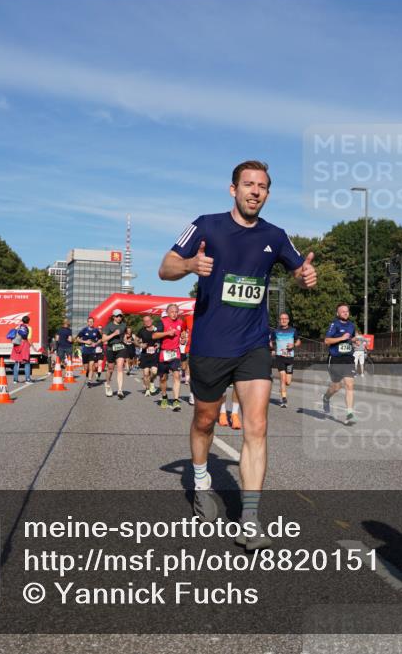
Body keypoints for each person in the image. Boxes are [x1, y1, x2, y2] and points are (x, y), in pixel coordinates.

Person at [158, 160, 316, 551]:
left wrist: (305, 276)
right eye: (248, 184)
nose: (255, 191)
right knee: (205, 420)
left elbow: (298, 269)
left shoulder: (276, 236)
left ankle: (249, 518)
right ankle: (200, 482)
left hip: (252, 345)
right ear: (233, 189)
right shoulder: (206, 225)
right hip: (210, 346)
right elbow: (165, 267)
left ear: (267, 193)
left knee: (257, 427)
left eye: (262, 186)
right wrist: (191, 264)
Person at [323, 304, 358, 425]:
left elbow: (352, 338)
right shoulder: (334, 324)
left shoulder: (351, 325)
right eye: (342, 311)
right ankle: (326, 398)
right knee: (336, 387)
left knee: (349, 385)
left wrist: (355, 340)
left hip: (348, 358)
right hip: (336, 359)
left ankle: (349, 414)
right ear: (338, 313)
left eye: (347, 311)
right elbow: (327, 341)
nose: (345, 313)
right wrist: (341, 338)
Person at [158, 304, 186, 411]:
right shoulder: (162, 322)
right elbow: (154, 335)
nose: (174, 314)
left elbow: (182, 334)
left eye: (176, 312)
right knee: (163, 378)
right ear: (168, 312)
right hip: (164, 353)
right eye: (172, 312)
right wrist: (167, 333)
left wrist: (182, 339)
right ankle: (164, 396)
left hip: (175, 353)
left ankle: (176, 400)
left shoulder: (180, 322)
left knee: (176, 376)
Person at [270, 312, 300, 408]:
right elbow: (270, 341)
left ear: (288, 320)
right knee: (282, 378)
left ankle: (282, 388)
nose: (283, 320)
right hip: (280, 357)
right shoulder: (275, 331)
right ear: (279, 320)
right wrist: (272, 349)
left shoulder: (293, 330)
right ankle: (284, 399)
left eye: (285, 318)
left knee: (288, 382)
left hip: (290, 358)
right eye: (282, 318)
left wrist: (293, 345)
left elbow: (298, 341)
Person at [101, 310, 128, 398]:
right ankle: (107, 384)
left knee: (120, 367)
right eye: (117, 316)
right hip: (110, 348)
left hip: (121, 347)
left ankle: (120, 390)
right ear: (113, 317)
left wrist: (126, 340)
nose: (119, 317)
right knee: (110, 369)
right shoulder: (108, 326)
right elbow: (104, 340)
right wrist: (114, 334)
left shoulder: (124, 325)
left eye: (120, 316)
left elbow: (123, 335)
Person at [136, 314, 164, 397]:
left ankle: (151, 381)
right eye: (145, 321)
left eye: (149, 320)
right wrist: (140, 345)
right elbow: (135, 340)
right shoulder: (142, 331)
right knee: (145, 373)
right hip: (145, 354)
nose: (147, 322)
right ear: (144, 323)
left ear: (152, 321)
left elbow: (161, 339)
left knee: (154, 372)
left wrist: (158, 344)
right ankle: (147, 389)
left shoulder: (157, 329)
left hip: (154, 354)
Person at [76, 317, 102, 385]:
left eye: (92, 321)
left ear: (93, 323)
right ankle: (87, 372)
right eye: (89, 321)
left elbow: (100, 339)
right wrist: (85, 341)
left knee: (92, 365)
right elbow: (77, 339)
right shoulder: (84, 330)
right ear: (87, 323)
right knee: (86, 367)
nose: (90, 323)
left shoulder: (96, 330)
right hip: (85, 351)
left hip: (92, 351)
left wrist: (95, 343)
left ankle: (90, 380)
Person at [10, 315, 33, 384]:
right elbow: (28, 338)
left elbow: (14, 335)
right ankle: (27, 379)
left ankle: (15, 379)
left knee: (17, 362)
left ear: (22, 320)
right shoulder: (29, 328)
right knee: (27, 362)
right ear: (28, 321)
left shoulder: (18, 327)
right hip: (24, 344)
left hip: (17, 345)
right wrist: (32, 345)